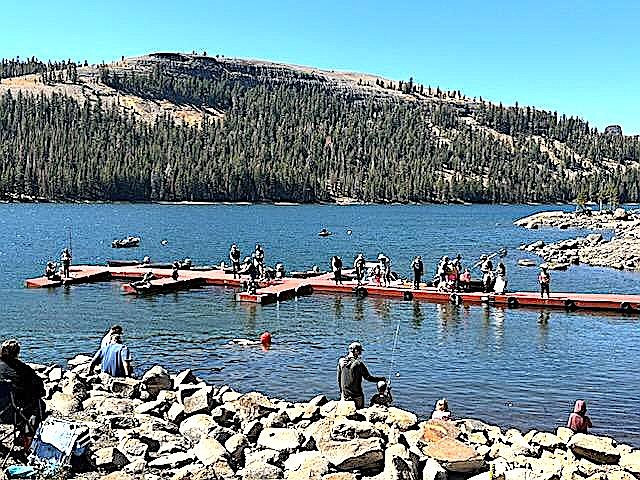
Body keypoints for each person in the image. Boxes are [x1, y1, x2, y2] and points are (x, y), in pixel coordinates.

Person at [0, 339, 46, 446]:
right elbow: (40, 389)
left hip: (3, 409)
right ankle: (26, 439)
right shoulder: (23, 370)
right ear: (17, 353)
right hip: (11, 415)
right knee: (39, 405)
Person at [337, 342, 385, 409]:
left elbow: (339, 378)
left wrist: (342, 392)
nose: (360, 354)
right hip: (356, 396)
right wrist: (381, 379)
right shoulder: (358, 364)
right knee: (360, 412)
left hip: (345, 396)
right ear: (356, 351)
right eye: (360, 351)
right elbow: (368, 378)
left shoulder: (341, 361)